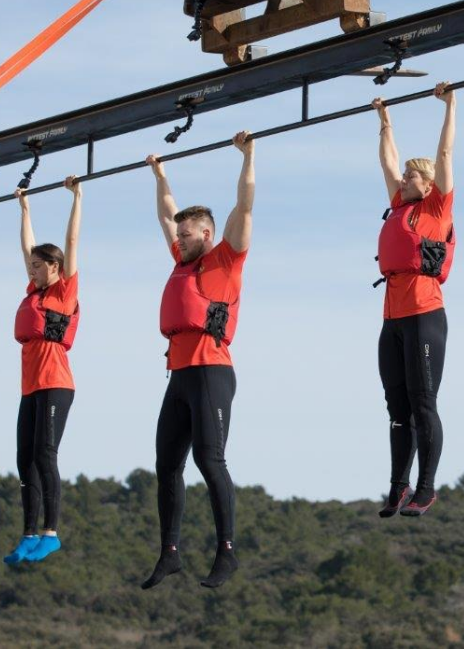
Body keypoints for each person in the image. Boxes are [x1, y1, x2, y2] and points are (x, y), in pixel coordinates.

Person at [140, 132, 254, 591]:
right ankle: (170, 552)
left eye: (186, 235)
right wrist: (160, 173)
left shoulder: (226, 258)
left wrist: (247, 157)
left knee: (211, 460)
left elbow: (244, 206)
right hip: (180, 375)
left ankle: (226, 552)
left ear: (206, 234)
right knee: (166, 465)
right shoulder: (182, 260)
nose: (178, 240)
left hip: (211, 372)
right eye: (178, 235)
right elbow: (167, 213)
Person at [371, 84, 456, 518]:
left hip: (424, 313)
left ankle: (426, 487)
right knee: (397, 406)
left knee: (424, 403)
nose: (403, 180)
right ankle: (397, 486)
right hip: (393, 317)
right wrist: (384, 120)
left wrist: (449, 108)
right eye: (404, 177)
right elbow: (387, 160)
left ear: (428, 185)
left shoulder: (436, 209)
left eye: (411, 177)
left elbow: (444, 157)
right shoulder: (398, 206)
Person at [4, 176, 82, 566]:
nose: (32, 270)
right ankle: (28, 532)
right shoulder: (32, 292)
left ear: (54, 268)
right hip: (30, 385)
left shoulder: (63, 290)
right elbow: (25, 246)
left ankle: (51, 533)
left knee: (45, 454)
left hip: (55, 384)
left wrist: (76, 198)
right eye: (30, 266)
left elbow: (70, 245)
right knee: (25, 458)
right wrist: (25, 209)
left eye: (38, 266)